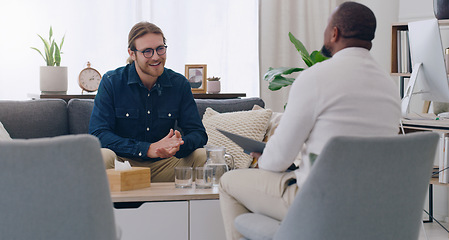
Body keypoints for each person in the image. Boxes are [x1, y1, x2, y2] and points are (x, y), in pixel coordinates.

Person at [218, 2, 401, 239]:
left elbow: (277, 161)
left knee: (228, 182)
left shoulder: (316, 78)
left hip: (320, 203)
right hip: (371, 205)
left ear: (335, 32)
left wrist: (266, 158)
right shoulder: (389, 86)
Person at [89, 22, 208, 182]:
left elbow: (199, 133)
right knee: (103, 156)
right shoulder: (112, 82)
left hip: (165, 165)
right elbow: (98, 135)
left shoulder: (179, 84)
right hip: (124, 166)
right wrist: (147, 149)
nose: (156, 57)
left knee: (201, 155)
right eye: (147, 51)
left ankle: (190, 207)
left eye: (160, 48)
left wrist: (177, 145)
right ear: (132, 53)